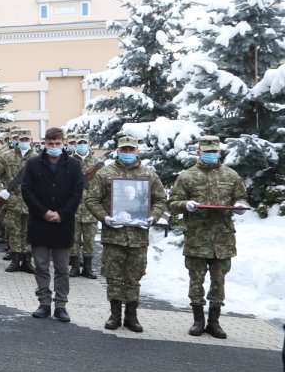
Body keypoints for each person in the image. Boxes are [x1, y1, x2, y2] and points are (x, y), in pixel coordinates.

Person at [168, 135, 249, 339]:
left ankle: (214, 322)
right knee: (196, 280)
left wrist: (239, 206)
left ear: (219, 152)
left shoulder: (231, 175)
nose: (211, 154)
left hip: (222, 238)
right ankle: (198, 321)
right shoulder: (187, 176)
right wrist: (186, 205)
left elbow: (241, 197)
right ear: (199, 152)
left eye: (214, 151)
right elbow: (173, 203)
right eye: (207, 152)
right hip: (197, 237)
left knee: (218, 281)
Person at [84, 135, 167, 332]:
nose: (127, 153)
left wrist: (152, 217)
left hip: (138, 237)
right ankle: (114, 315)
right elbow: (92, 200)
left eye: (131, 149)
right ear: (118, 151)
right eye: (124, 149)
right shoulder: (105, 173)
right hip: (114, 236)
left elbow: (160, 200)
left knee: (133, 278)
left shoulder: (148, 174)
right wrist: (105, 217)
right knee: (113, 277)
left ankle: (132, 316)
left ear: (137, 151)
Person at [22, 128, 86, 322]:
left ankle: (60, 305)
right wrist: (44, 212)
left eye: (57, 143)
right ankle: (44, 303)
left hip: (63, 224)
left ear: (63, 143)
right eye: (50, 144)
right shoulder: (33, 164)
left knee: (62, 268)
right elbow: (27, 191)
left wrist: (62, 214)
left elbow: (77, 192)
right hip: (39, 222)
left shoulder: (74, 165)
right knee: (41, 266)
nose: (54, 147)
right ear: (45, 144)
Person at [0, 128, 36, 273]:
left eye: (26, 139)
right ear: (17, 140)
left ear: (31, 140)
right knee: (14, 232)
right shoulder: (6, 156)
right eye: (22, 139)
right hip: (12, 201)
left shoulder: (38, 158)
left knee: (29, 232)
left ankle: (27, 261)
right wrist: (1, 190)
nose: (24, 142)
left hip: (31, 202)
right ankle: (15, 260)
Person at [68, 134, 102, 278]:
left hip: (91, 209)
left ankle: (88, 268)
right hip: (73, 209)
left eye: (84, 143)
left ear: (89, 144)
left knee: (89, 241)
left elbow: (102, 185)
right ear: (75, 144)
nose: (82, 145)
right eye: (79, 143)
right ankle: (75, 267)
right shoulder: (68, 161)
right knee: (73, 240)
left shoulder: (97, 163)